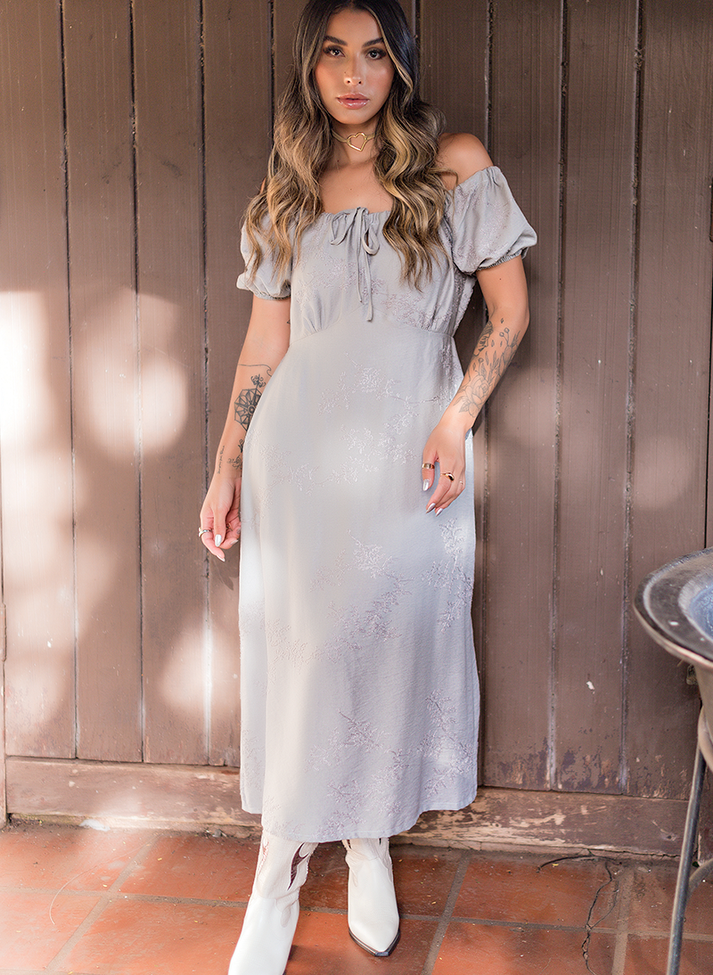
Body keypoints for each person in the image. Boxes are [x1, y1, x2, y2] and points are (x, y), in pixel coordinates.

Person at [199, 0, 535, 971]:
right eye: (333, 55)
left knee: (381, 647)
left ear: (399, 67)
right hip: (296, 459)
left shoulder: (453, 165)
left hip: (407, 460)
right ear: (310, 70)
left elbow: (507, 314)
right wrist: (226, 463)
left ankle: (366, 841)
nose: (353, 74)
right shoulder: (289, 189)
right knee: (306, 654)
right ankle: (276, 872)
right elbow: (264, 346)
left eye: (374, 53)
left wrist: (455, 419)